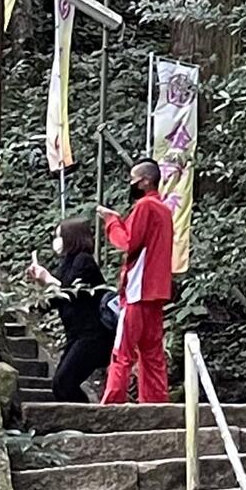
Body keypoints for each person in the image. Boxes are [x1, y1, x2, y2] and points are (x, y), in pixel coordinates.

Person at [100, 157, 176, 405]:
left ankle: (112, 403)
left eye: (133, 180)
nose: (130, 184)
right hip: (157, 291)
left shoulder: (145, 207)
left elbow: (128, 242)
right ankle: (156, 403)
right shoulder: (164, 210)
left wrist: (111, 221)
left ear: (144, 181)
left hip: (137, 291)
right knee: (152, 353)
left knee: (123, 351)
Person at [29, 216, 115, 404]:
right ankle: (85, 419)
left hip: (92, 336)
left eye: (60, 237)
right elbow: (54, 299)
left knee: (64, 383)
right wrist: (37, 288)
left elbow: (69, 290)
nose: (56, 242)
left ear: (71, 238)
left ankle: (88, 420)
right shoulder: (67, 263)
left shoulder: (84, 262)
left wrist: (48, 279)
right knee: (61, 384)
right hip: (76, 336)